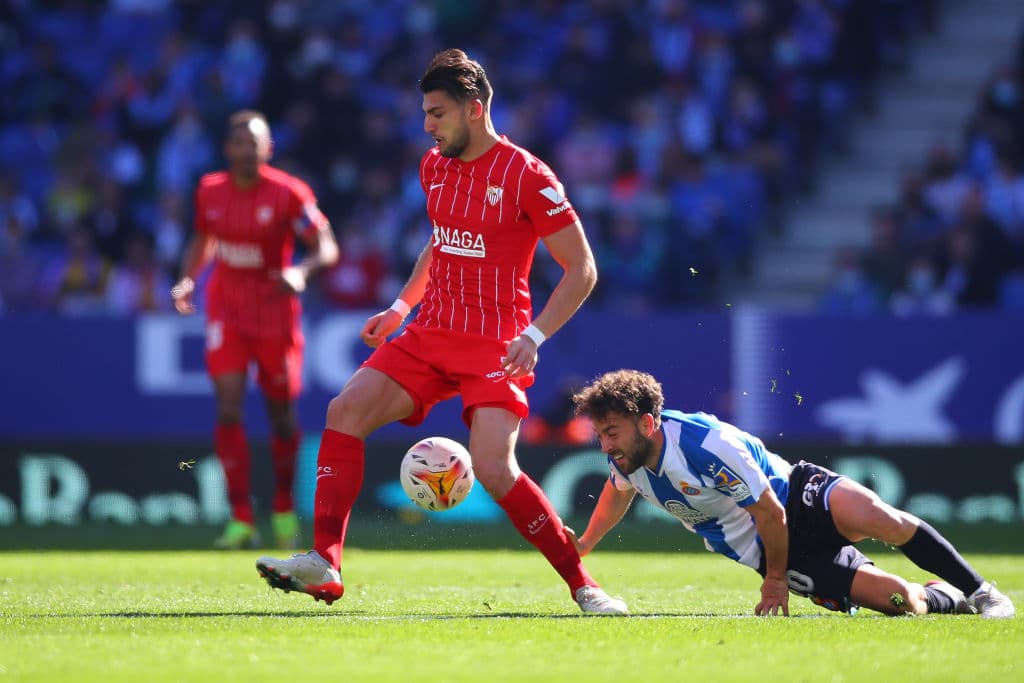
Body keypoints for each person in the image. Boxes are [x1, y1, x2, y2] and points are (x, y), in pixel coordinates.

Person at [255, 49, 626, 615]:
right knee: (344, 412)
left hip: (494, 342)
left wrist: (536, 336)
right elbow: (441, 240)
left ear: (474, 110)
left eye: (437, 114)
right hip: (430, 331)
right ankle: (325, 561)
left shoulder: (529, 176)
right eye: (425, 114)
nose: (427, 126)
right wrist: (401, 306)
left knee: (497, 468)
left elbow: (583, 268)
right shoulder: (435, 165)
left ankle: (584, 586)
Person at [568, 369, 1015, 618]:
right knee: (902, 601)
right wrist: (586, 543)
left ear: (647, 424)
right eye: (601, 436)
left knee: (884, 519)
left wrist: (776, 582)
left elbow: (770, 512)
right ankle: (945, 596)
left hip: (792, 495)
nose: (606, 447)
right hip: (762, 548)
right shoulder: (625, 457)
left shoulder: (706, 447)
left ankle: (983, 592)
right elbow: (616, 492)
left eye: (612, 434)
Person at [171, 110, 340, 549]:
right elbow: (203, 239)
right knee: (228, 406)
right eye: (239, 144)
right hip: (227, 311)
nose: (247, 151)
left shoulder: (288, 193)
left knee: (281, 414)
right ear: (228, 149)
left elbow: (325, 245)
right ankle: (241, 517)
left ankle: (283, 508)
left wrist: (302, 272)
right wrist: (189, 277)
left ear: (269, 149)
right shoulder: (209, 191)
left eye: (255, 143)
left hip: (275, 315)